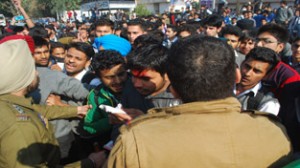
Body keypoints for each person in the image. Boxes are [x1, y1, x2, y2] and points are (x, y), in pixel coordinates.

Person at [107, 35, 292, 168]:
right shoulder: (274, 132)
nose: (137, 83)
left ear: (173, 87)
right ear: (237, 75)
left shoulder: (135, 142)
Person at [0, 34, 105, 168]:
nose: (38, 73)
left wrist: (73, 109)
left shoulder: (11, 105)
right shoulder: (19, 127)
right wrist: (90, 163)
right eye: (32, 68)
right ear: (23, 74)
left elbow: (38, 109)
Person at [257, 23, 300, 153]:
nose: (259, 45)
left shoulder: (289, 76)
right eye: (257, 40)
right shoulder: (245, 65)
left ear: (280, 47)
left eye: (266, 41)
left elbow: (289, 117)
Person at [236, 47, 280, 115]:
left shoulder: (267, 103)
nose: (247, 73)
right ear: (242, 63)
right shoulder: (222, 83)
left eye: (256, 71)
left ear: (266, 75)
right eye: (247, 66)